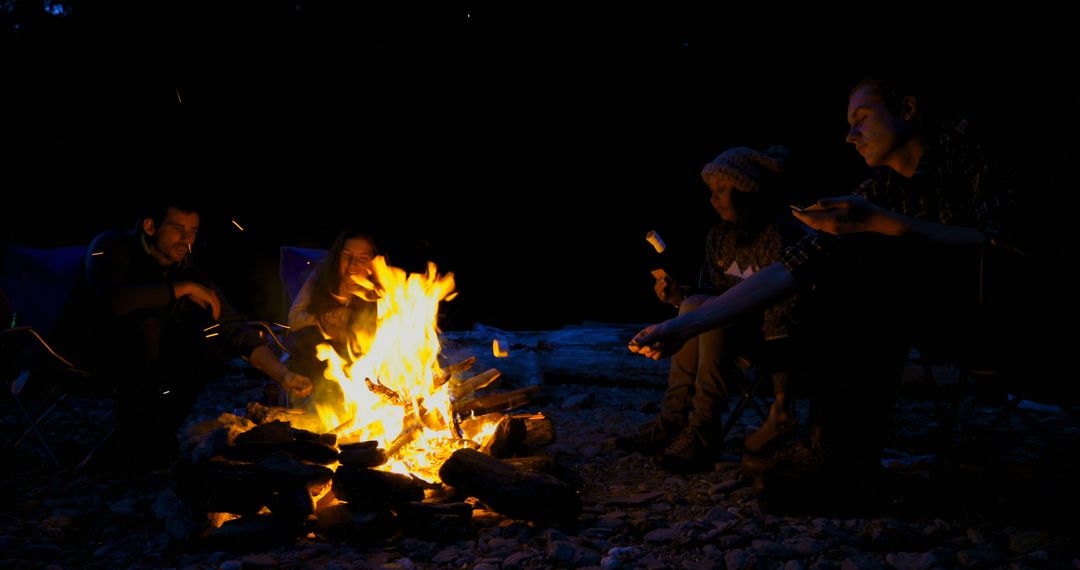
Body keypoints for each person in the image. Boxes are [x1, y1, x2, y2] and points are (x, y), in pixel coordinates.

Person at [629, 76, 1022, 508]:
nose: (849, 136)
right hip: (922, 320)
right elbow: (787, 270)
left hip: (1006, 313)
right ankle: (824, 448)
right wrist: (681, 324)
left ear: (907, 110)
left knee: (860, 264)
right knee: (823, 259)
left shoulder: (966, 146)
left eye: (862, 119)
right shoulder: (878, 189)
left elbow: (1008, 247)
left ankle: (838, 455)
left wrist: (880, 224)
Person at [616, 145, 808, 472]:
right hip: (723, 338)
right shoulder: (719, 236)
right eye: (711, 190)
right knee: (692, 302)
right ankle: (674, 421)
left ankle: (704, 428)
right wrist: (678, 298)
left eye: (722, 189)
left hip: (774, 345)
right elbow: (709, 295)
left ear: (748, 191)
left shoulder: (780, 234)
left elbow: (786, 316)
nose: (713, 198)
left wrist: (782, 398)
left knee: (711, 312)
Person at [82, 203, 313, 465]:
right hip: (89, 348)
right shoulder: (111, 246)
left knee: (209, 341)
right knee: (147, 325)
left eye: (192, 231)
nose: (186, 239)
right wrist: (181, 289)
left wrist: (282, 374)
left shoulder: (185, 268)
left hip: (147, 360)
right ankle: (138, 439)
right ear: (150, 226)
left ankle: (156, 435)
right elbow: (111, 301)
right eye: (177, 229)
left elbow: (230, 324)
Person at [286, 229, 380, 414]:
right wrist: (322, 319)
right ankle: (310, 412)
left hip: (364, 372)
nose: (352, 265)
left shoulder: (385, 293)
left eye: (362, 258)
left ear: (375, 263)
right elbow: (294, 319)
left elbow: (380, 347)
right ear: (337, 257)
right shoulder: (322, 276)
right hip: (320, 365)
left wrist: (344, 334)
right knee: (307, 340)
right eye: (346, 256)